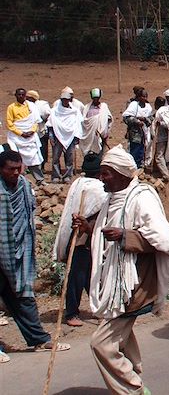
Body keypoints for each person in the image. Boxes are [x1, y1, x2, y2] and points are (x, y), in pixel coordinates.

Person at [77, 145, 169, 394]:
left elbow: (162, 240)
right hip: (113, 281)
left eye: (106, 173)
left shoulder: (142, 198)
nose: (101, 178)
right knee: (119, 335)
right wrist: (89, 229)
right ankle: (134, 373)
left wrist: (125, 236)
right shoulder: (111, 200)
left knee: (101, 343)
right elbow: (106, 236)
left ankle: (132, 388)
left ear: (122, 175)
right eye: (101, 173)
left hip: (134, 284)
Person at [0, 150, 70, 360]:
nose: (15, 172)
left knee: (24, 296)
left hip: (18, 252)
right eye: (10, 169)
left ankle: (40, 340)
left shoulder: (23, 186)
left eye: (18, 168)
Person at [52, 152, 106, 327]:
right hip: (81, 239)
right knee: (77, 276)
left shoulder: (78, 183)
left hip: (90, 238)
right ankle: (72, 313)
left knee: (92, 276)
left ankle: (98, 308)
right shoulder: (97, 188)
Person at [48, 90, 84, 183]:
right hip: (57, 137)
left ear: (69, 100)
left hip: (71, 137)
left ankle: (67, 175)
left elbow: (78, 125)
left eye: (67, 99)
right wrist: (51, 137)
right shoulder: (54, 111)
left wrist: (77, 137)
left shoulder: (75, 112)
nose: (65, 101)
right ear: (61, 100)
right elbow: (50, 125)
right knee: (55, 158)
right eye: (63, 99)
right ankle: (56, 176)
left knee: (69, 158)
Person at [122, 89, 152, 168]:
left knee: (142, 152)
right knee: (135, 151)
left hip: (145, 133)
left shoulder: (148, 106)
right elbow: (126, 118)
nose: (145, 98)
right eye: (143, 96)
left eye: (146, 96)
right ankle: (133, 168)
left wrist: (145, 119)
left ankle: (140, 168)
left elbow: (151, 118)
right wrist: (136, 121)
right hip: (135, 134)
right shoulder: (134, 105)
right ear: (138, 97)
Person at [79, 88, 113, 157]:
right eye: (94, 98)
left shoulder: (104, 107)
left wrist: (103, 128)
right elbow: (84, 121)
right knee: (90, 151)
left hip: (101, 134)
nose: (95, 100)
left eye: (97, 98)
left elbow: (109, 118)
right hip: (90, 134)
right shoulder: (86, 108)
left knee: (101, 151)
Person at [152, 96, 169, 180]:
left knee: (159, 156)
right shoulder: (166, 110)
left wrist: (160, 123)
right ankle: (156, 170)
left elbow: (167, 124)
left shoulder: (161, 111)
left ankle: (165, 175)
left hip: (161, 137)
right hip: (166, 137)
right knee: (160, 154)